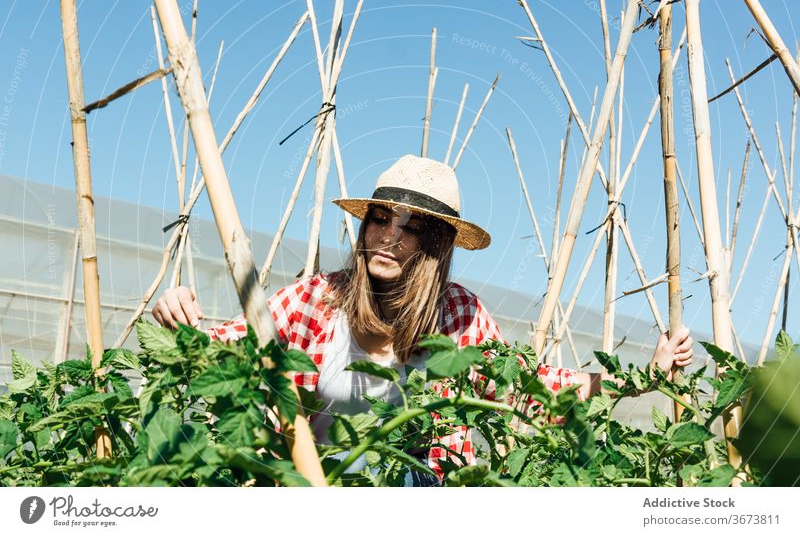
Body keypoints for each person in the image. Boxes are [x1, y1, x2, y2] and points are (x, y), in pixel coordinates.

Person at [152, 154, 694, 480]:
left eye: (407, 227)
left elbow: (527, 386)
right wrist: (179, 314)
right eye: (380, 219)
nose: (387, 235)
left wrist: (643, 376)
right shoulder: (317, 300)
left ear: (433, 244)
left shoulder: (458, 316)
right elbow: (238, 345)